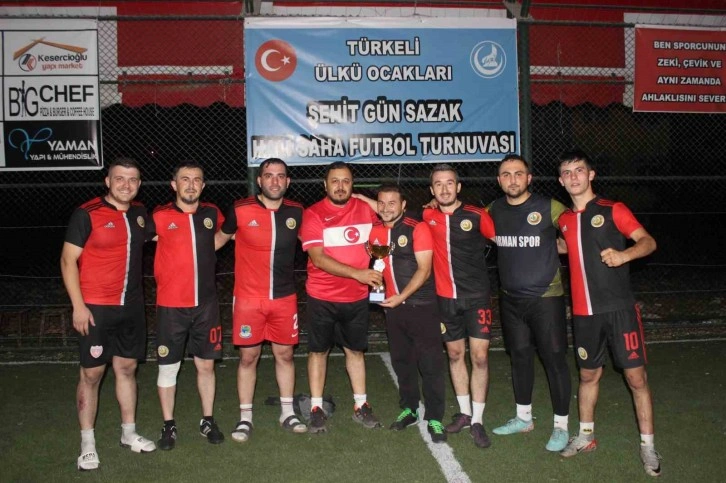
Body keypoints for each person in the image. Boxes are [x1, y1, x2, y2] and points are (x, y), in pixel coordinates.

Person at [556, 149, 661, 477]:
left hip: (619, 311)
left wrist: (625, 255)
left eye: (579, 170)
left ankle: (648, 445)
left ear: (591, 175)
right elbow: (566, 246)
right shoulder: (564, 220)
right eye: (567, 173)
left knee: (636, 378)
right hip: (584, 315)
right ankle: (586, 436)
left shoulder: (613, 209)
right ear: (561, 181)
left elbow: (648, 242)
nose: (573, 177)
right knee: (588, 376)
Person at [61, 157, 156, 471]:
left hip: (132, 307)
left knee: (127, 369)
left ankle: (128, 433)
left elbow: (167, 237)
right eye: (119, 179)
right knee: (91, 374)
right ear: (107, 181)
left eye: (132, 180)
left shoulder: (140, 213)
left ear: (139, 184)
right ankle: (87, 443)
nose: (126, 185)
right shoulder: (86, 213)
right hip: (95, 308)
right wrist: (78, 305)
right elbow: (67, 260)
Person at [215, 158, 307, 442]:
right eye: (269, 175)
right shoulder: (240, 209)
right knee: (248, 357)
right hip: (248, 299)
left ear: (288, 182)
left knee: (285, 355)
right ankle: (245, 418)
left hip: (284, 298)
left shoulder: (297, 211)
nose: (275, 181)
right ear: (259, 180)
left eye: (280, 176)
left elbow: (317, 241)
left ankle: (287, 412)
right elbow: (216, 241)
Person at [486, 155, 572, 452]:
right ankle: (524, 418)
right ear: (499, 180)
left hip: (545, 299)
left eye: (518, 173)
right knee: (520, 357)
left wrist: (560, 246)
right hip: (511, 300)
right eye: (506, 174)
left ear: (529, 178)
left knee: (554, 360)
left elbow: (578, 232)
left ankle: (561, 426)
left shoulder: (550, 207)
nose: (512, 180)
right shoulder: (493, 210)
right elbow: (465, 222)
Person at [299, 161, 383, 433]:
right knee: (318, 351)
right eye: (334, 181)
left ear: (353, 184)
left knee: (355, 351)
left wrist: (367, 200)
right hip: (322, 296)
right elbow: (318, 259)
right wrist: (358, 273)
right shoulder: (313, 214)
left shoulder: (364, 210)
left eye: (346, 181)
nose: (340, 186)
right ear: (325, 185)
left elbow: (390, 215)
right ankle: (316, 408)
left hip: (356, 297)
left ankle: (361, 405)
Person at [149, 160, 225, 450]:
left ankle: (208, 420)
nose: (191, 184)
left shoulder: (212, 213)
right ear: (174, 185)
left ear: (203, 186)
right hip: (171, 306)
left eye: (196, 180)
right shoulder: (159, 215)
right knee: (169, 366)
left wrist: (207, 248)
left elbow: (225, 234)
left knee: (206, 365)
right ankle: (168, 424)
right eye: (185, 179)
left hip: (206, 304)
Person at [423, 163, 496, 449]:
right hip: (445, 298)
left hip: (477, 297)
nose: (444, 189)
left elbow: (504, 241)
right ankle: (465, 413)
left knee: (479, 357)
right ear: (432, 190)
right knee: (454, 354)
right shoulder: (428, 215)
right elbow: (389, 209)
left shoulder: (478, 215)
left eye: (449, 183)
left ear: (459, 186)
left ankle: (478, 420)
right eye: (438, 184)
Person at [368, 183, 447, 443]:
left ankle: (434, 417)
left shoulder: (417, 228)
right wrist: (377, 287)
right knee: (402, 361)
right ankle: (410, 408)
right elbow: (378, 265)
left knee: (430, 364)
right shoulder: (375, 231)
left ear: (403, 205)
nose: (386, 208)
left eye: (392, 203)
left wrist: (401, 297)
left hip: (421, 306)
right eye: (381, 203)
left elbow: (424, 270)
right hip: (393, 309)